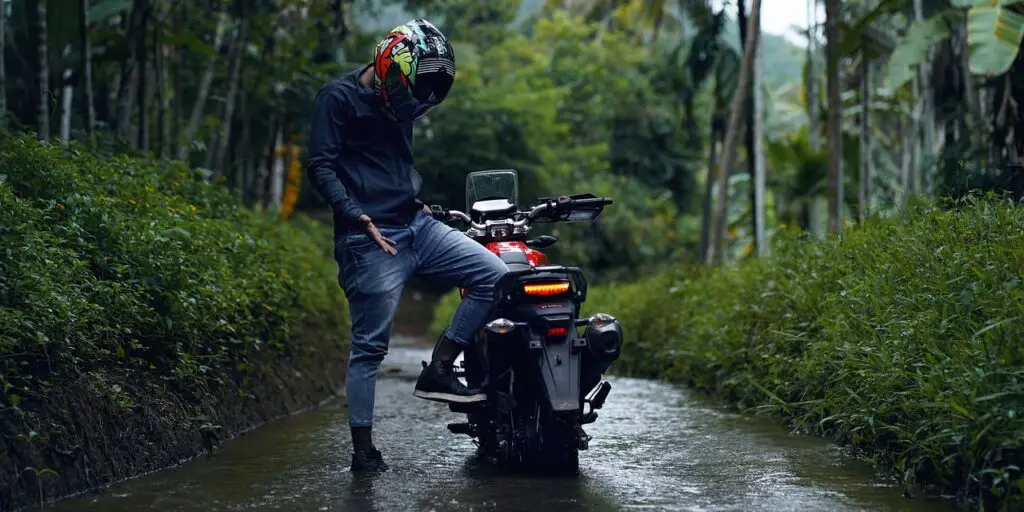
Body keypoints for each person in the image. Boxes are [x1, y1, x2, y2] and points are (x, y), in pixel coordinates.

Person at [305, 19, 509, 473]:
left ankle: (440, 367)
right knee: (369, 348)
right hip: (369, 237)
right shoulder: (337, 99)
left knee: (494, 275)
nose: (410, 104)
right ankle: (363, 452)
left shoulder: (405, 103)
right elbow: (321, 166)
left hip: (416, 224)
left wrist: (420, 206)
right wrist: (355, 214)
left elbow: (391, 167)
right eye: (405, 90)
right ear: (386, 64)